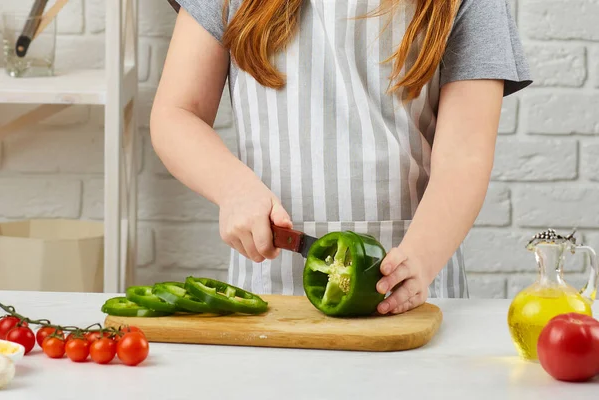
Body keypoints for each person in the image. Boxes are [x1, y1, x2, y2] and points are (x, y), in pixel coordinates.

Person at [151, 0, 532, 315]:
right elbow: (176, 114)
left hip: (414, 291)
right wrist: (232, 189)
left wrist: (420, 260)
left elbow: (465, 157)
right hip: (269, 293)